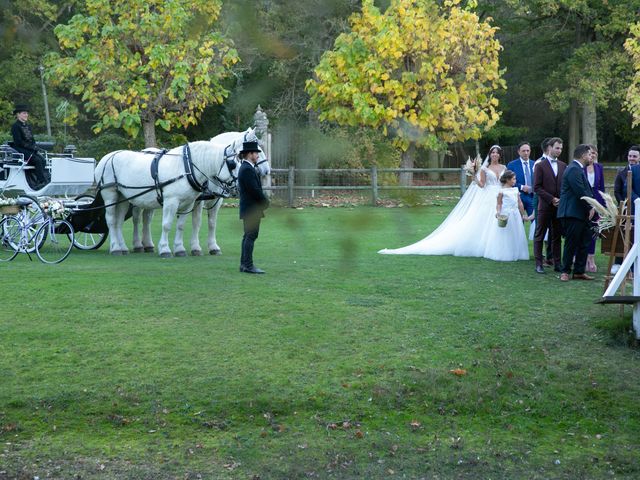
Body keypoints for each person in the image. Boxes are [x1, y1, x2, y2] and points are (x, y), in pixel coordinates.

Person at [378, 145, 506, 258]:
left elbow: (506, 183)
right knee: (485, 221)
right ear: (490, 154)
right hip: (487, 196)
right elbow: (482, 185)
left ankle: (498, 246)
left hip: (501, 195)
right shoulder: (484, 169)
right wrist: (473, 176)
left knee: (498, 221)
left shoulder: (504, 167)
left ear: (500, 155)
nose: (494, 154)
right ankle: (484, 246)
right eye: (492, 152)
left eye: (496, 152)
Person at [558, 144, 595, 281]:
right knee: (571, 242)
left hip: (581, 213)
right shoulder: (573, 169)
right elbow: (580, 191)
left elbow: (586, 190)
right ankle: (565, 271)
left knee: (584, 242)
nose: (591, 157)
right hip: (572, 212)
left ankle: (579, 271)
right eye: (590, 154)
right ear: (583, 155)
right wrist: (590, 207)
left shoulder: (579, 169)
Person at [533, 137, 566, 274]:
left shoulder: (564, 166)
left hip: (559, 207)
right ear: (550, 148)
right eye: (557, 148)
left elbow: (565, 186)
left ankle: (557, 263)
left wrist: (561, 199)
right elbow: (537, 187)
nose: (559, 150)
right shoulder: (540, 165)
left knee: (557, 236)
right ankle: (539, 263)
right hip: (545, 206)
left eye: (561, 148)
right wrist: (551, 199)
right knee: (540, 235)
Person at [482, 169, 529, 261]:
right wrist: (498, 212)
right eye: (514, 179)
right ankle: (504, 252)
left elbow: (520, 203)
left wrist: (523, 214)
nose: (515, 181)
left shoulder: (515, 190)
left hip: (515, 214)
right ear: (507, 180)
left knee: (516, 232)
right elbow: (499, 203)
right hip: (506, 214)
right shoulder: (501, 191)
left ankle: (516, 252)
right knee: (506, 233)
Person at [238, 141, 269, 274]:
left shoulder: (247, 168)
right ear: (250, 154)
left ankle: (244, 264)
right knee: (250, 236)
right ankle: (247, 265)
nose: (257, 155)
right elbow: (254, 190)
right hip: (251, 209)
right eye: (256, 153)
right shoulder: (247, 169)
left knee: (248, 236)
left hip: (250, 208)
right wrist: (265, 202)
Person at [611, 145, 640, 273]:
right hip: (627, 209)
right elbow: (618, 190)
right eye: (630, 156)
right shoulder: (622, 172)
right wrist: (627, 204)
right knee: (624, 235)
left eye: (634, 156)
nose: (631, 158)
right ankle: (618, 262)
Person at [10, 104, 49, 189]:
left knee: (43, 160)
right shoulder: (15, 126)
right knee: (37, 160)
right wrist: (31, 147)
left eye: (27, 113)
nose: (26, 115)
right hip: (20, 149)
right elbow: (18, 142)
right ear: (18, 114)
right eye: (24, 113)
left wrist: (35, 147)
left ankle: (39, 180)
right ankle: (41, 181)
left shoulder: (28, 126)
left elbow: (32, 139)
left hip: (30, 149)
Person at [584, 145, 605, 272]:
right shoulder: (580, 168)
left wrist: (602, 207)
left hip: (597, 202)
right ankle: (579, 257)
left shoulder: (599, 167)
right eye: (589, 153)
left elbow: (601, 188)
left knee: (594, 231)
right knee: (582, 231)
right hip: (584, 201)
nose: (591, 156)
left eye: (593, 153)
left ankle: (591, 258)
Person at [507, 141, 535, 217]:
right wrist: (522, 187)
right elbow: (508, 182)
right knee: (519, 222)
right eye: (523, 151)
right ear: (518, 152)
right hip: (518, 197)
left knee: (535, 222)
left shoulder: (535, 164)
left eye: (528, 151)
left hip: (532, 197)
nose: (526, 153)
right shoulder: (512, 165)